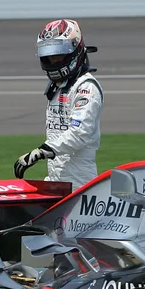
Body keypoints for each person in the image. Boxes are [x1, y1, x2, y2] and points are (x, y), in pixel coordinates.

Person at [14, 19, 103, 189]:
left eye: (58, 55)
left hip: (79, 183)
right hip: (56, 177)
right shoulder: (59, 86)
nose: (53, 61)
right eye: (49, 56)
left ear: (74, 50)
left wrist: (42, 151)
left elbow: (79, 133)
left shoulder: (86, 87)